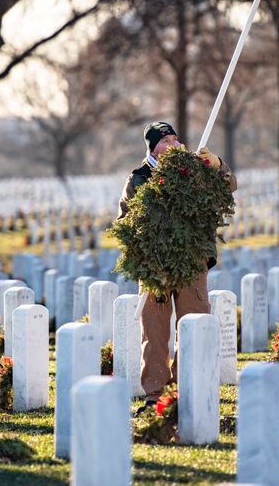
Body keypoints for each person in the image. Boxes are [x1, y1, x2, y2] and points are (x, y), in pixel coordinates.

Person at [116, 121, 237, 404]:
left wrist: (216, 164)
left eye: (174, 138)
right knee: (155, 332)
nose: (172, 143)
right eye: (165, 140)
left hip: (192, 261)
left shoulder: (194, 168)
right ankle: (156, 395)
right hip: (155, 267)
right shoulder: (138, 178)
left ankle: (188, 389)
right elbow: (125, 221)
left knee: (194, 324)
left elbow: (228, 186)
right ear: (153, 147)